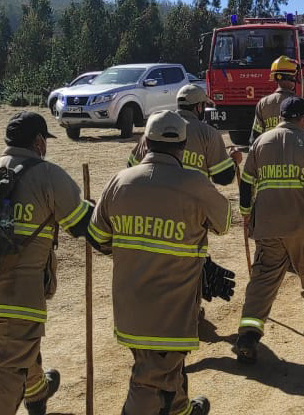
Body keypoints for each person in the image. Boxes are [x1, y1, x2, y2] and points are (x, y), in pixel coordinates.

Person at [87, 111, 230, 415]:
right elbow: (224, 222)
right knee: (150, 381)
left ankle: (181, 408)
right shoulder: (195, 184)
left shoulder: (120, 181)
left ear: (146, 142)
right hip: (171, 309)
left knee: (159, 367)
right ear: (182, 146)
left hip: (129, 307)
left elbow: (98, 237)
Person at [0, 111, 93, 415]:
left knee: (15, 353)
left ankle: (37, 389)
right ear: (39, 141)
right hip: (21, 301)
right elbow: (82, 226)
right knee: (6, 377)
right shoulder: (48, 175)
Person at [236, 97, 304, 362]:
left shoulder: (261, 143)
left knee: (262, 280)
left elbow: (247, 182)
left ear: (281, 117)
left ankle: (248, 332)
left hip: (268, 226)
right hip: (302, 226)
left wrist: (246, 214)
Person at [129, 84, 241, 184]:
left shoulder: (155, 129)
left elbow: (131, 167)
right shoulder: (208, 133)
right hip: (191, 201)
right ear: (199, 107)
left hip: (155, 198)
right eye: (204, 105)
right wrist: (234, 161)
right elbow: (222, 177)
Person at [249, 55, 304, 143]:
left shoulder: (263, 103)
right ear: (291, 77)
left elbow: (255, 137)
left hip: (270, 152)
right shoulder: (299, 103)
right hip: (293, 153)